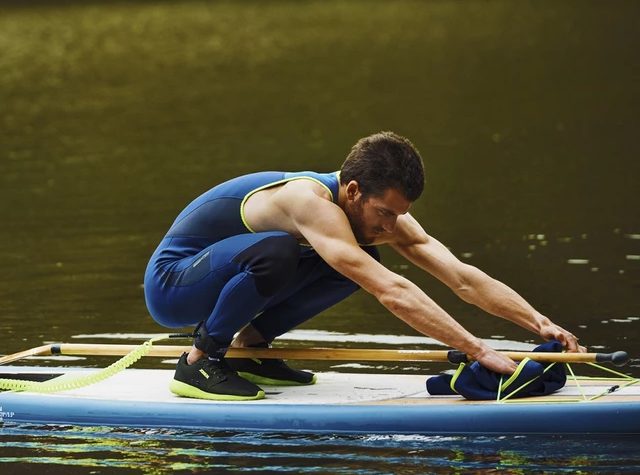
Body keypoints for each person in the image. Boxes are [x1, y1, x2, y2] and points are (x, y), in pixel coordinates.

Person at [144, 132, 585, 401]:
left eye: (399, 213)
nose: (392, 225)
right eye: (385, 213)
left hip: (226, 277)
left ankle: (253, 349)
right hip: (174, 285)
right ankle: (198, 363)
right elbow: (391, 290)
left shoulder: (378, 210)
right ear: (353, 191)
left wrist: (539, 323)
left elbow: (462, 277)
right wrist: (477, 349)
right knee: (281, 252)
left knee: (354, 260)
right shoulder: (307, 203)